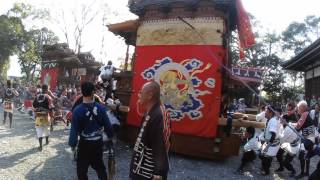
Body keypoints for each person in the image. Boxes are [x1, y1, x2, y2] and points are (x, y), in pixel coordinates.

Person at [69, 81, 113, 180]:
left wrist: (72, 145)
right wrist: (109, 137)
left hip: (84, 144)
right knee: (100, 167)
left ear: (82, 92)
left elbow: (74, 131)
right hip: (98, 143)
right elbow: (109, 128)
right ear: (93, 92)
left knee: (81, 170)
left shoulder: (77, 111)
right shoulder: (101, 108)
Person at [130, 81, 171, 180]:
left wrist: (159, 172)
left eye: (141, 92)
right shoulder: (150, 111)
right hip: (140, 168)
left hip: (149, 173)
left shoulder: (159, 114)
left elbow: (161, 144)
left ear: (150, 95)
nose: (139, 95)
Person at [295, 100, 315, 178]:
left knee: (301, 155)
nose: (298, 109)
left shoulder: (305, 114)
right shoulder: (306, 114)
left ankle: (303, 173)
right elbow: (299, 125)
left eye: (299, 107)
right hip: (310, 138)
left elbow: (298, 126)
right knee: (307, 155)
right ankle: (306, 172)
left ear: (302, 108)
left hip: (308, 138)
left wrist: (290, 125)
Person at [260, 106, 281, 175]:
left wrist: (267, 147)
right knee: (263, 156)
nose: (264, 113)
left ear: (271, 112)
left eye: (266, 112)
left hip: (272, 144)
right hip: (269, 142)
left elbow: (273, 135)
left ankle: (266, 171)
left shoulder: (273, 121)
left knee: (266, 158)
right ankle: (265, 167)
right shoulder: (270, 119)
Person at [33, 84, 53, 151]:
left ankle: (40, 145)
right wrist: (52, 120)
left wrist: (36, 114)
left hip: (38, 117)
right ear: (47, 89)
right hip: (46, 117)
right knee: (47, 129)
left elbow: (34, 106)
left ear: (42, 89)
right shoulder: (49, 97)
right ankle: (47, 141)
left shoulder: (37, 96)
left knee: (39, 131)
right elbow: (51, 108)